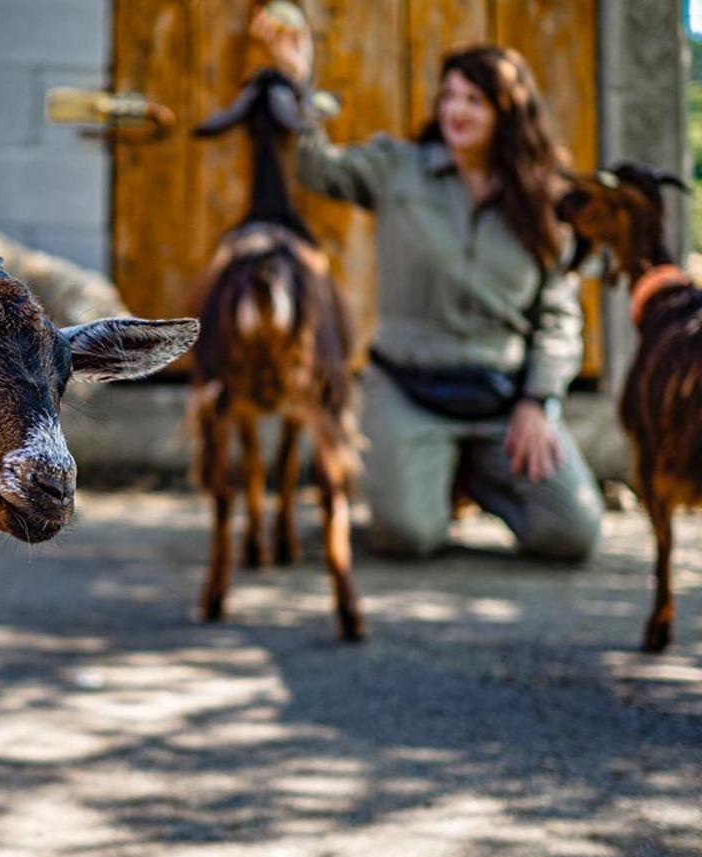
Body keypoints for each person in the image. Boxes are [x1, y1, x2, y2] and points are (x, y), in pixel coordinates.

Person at [251, 6, 603, 560]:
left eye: (473, 99)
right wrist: (298, 79)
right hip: (408, 389)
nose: (455, 110)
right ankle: (428, 474)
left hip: (504, 400)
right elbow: (316, 168)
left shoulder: (544, 200)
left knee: (572, 534)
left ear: (507, 113)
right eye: (449, 97)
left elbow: (559, 314)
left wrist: (540, 399)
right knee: (410, 537)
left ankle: (473, 474)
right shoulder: (398, 167)